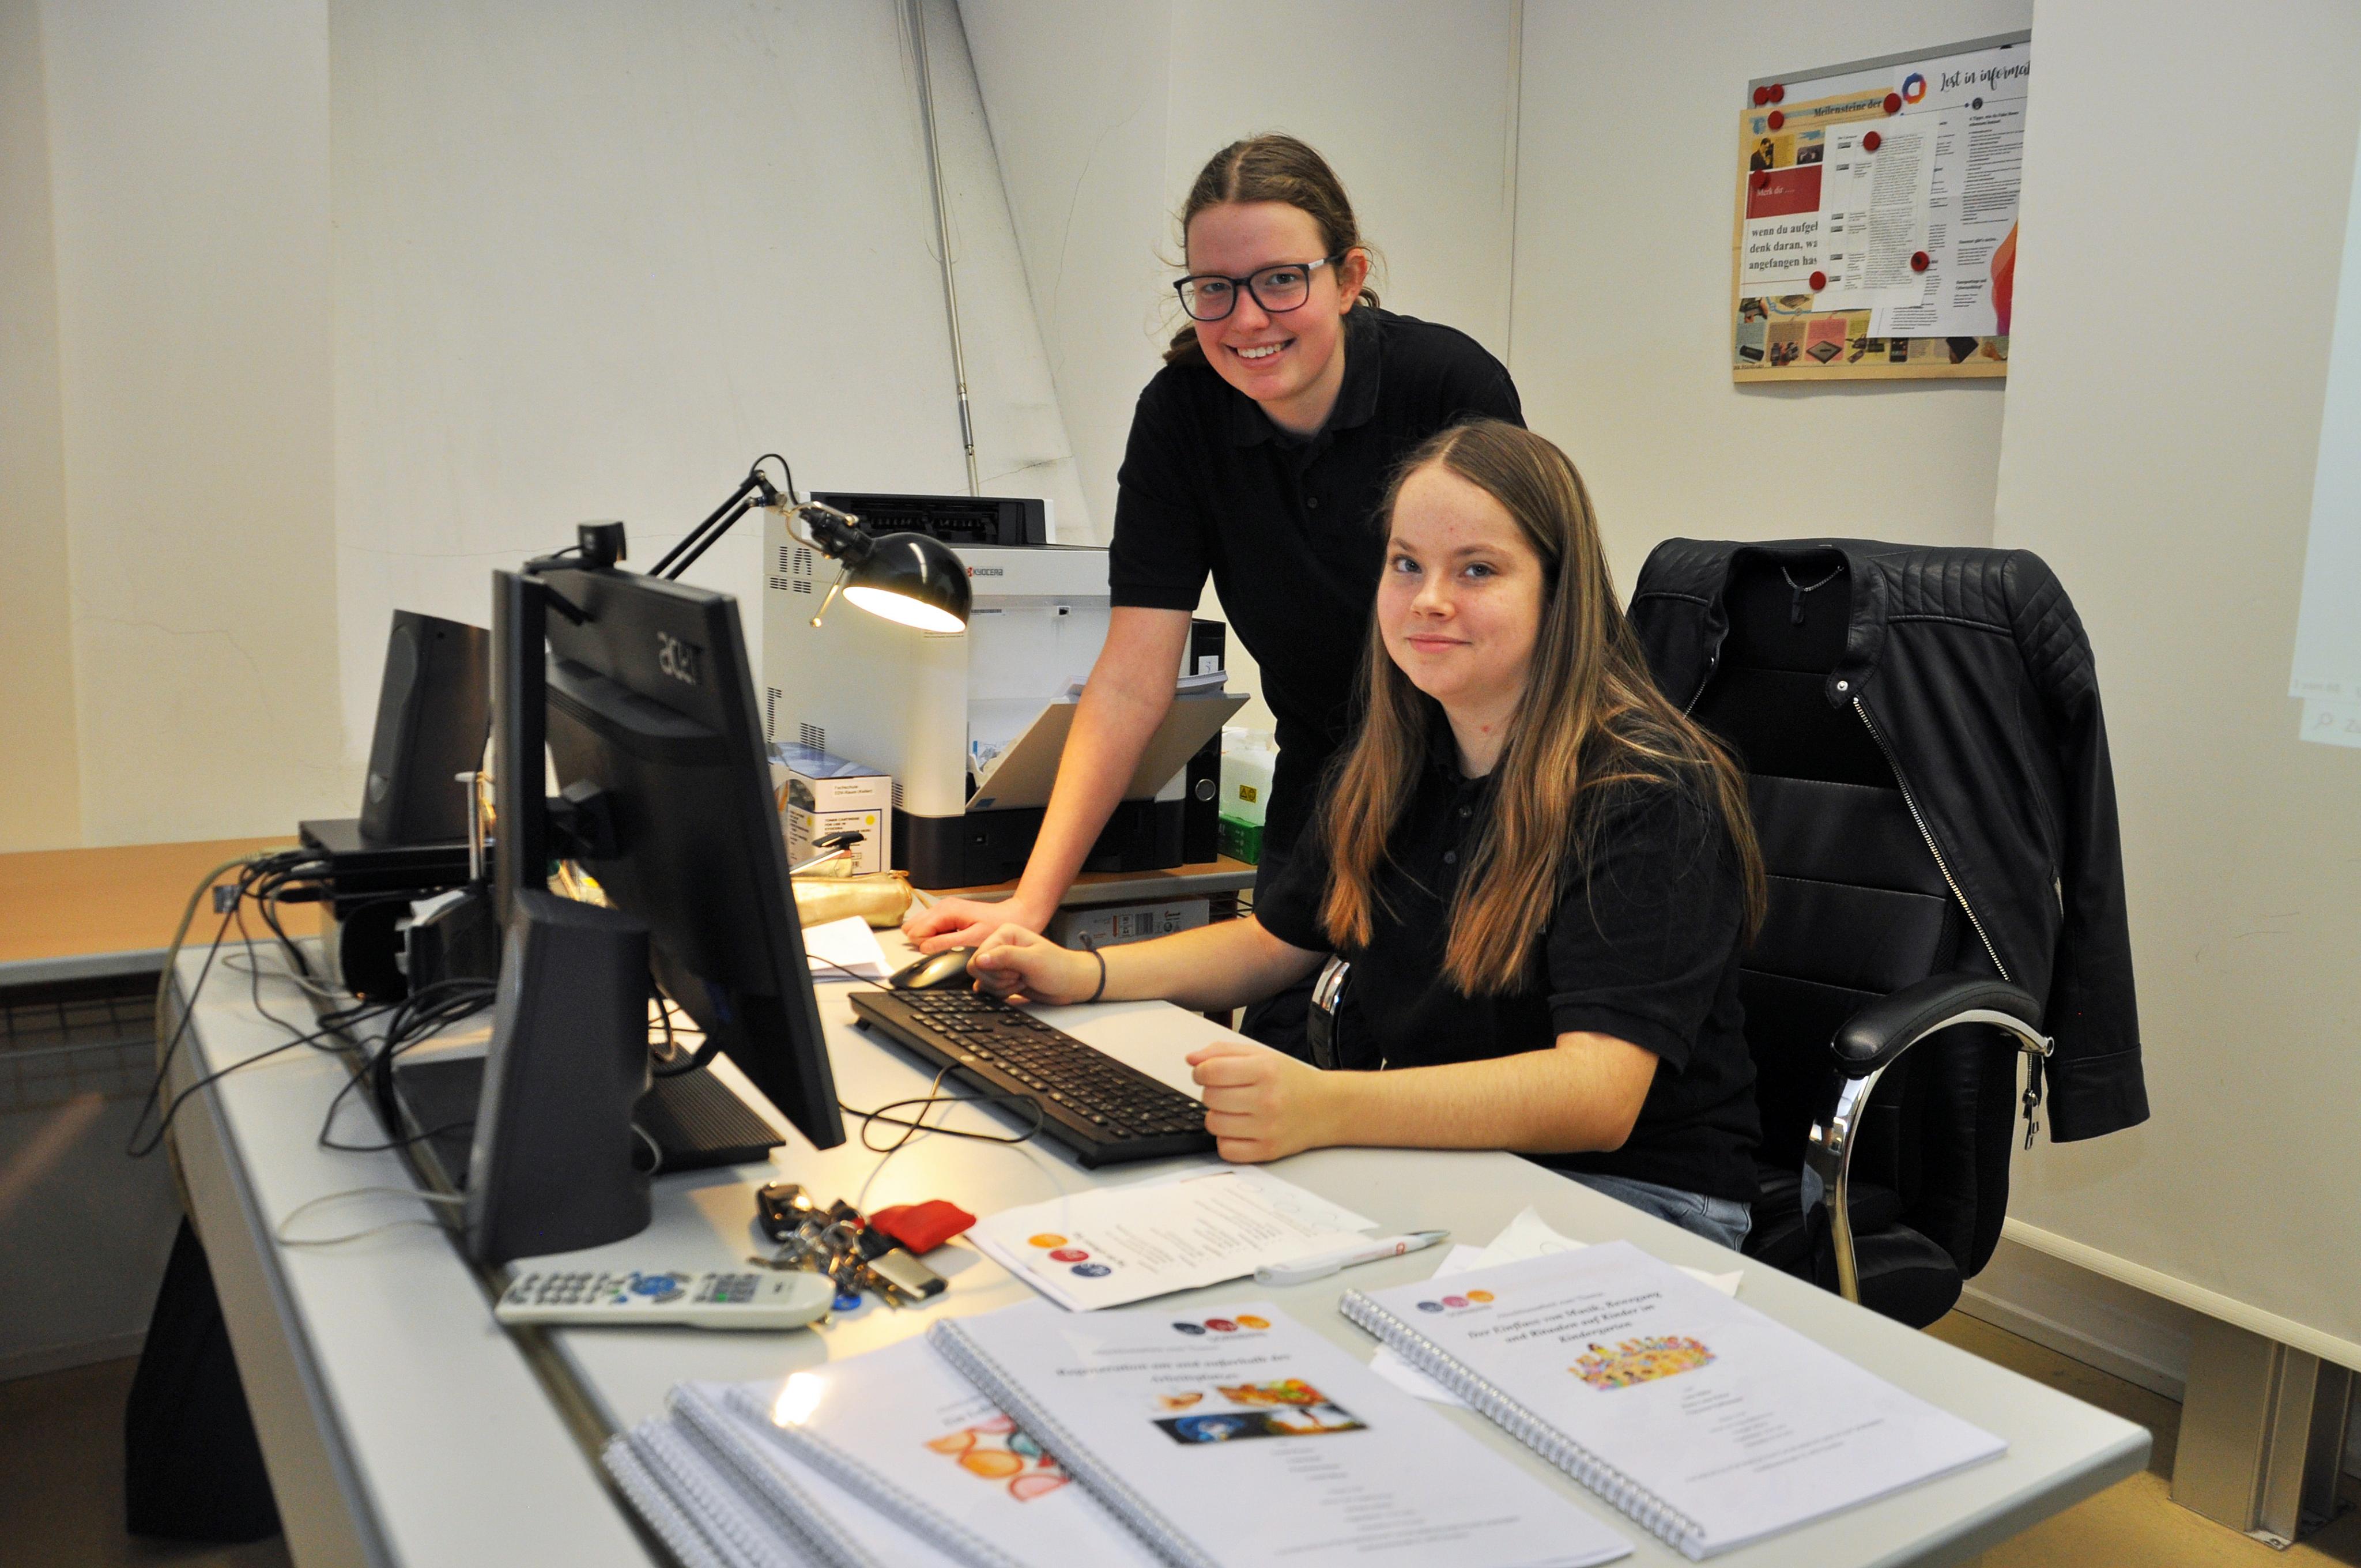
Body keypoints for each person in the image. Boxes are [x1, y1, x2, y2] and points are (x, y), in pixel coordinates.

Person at [966, 420, 1767, 1248]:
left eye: (1478, 569)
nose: (1429, 599)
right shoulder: (1399, 757)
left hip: (1636, 1200)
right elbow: (1277, 943)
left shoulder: (1646, 789)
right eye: (1406, 564)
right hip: (1454, 1163)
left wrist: (1324, 1106)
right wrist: (1082, 973)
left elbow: (1596, 1096)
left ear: (1559, 593)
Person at [904, 134, 1522, 1054]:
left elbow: (1516, 620)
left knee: (1427, 1062)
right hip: (1326, 782)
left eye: (1281, 280)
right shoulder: (1182, 415)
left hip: (1474, 787)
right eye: (1215, 289)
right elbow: (1131, 680)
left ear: (1349, 278)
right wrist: (1031, 907)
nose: (1247, 318)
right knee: (1278, 1050)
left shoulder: (1445, 385)